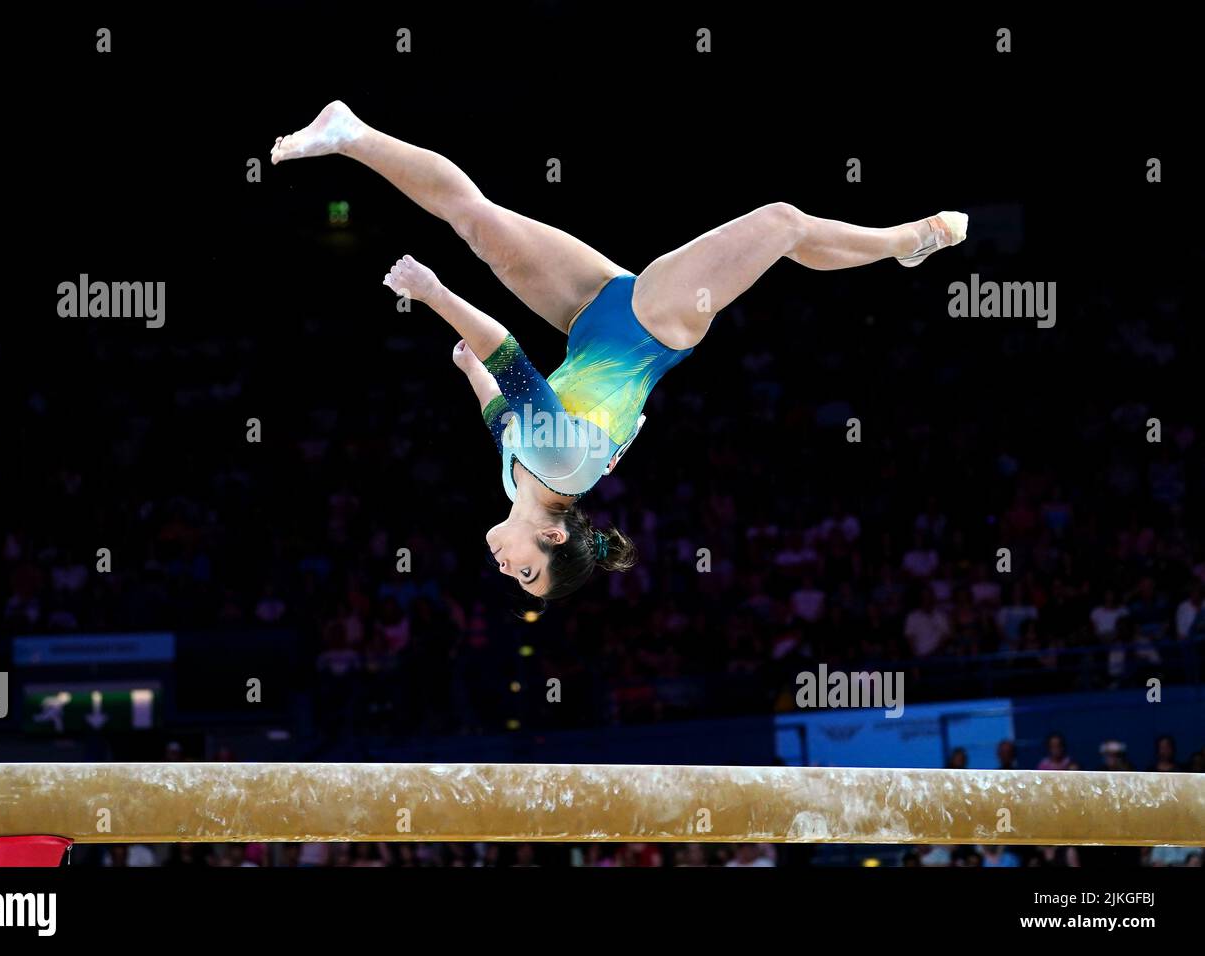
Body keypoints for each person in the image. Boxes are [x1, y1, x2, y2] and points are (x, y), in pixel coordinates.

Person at [272, 101, 967, 602]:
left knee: (477, 221)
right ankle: (904, 243)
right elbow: (512, 360)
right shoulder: (560, 469)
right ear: (553, 542)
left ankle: (352, 134)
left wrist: (467, 373)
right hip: (655, 324)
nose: (504, 567)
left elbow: (500, 415)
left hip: (590, 319)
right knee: (781, 222)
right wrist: (433, 294)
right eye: (525, 572)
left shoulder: (522, 483)